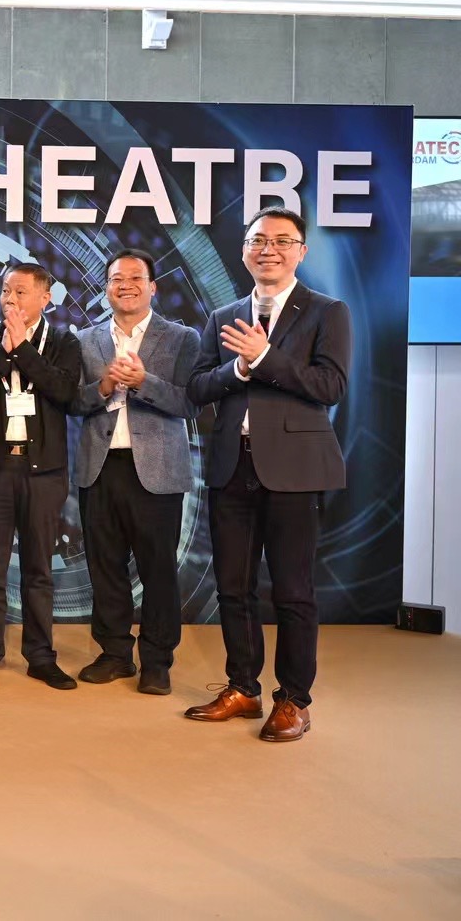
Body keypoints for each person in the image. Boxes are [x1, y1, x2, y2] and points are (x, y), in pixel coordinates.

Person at [184, 209, 349, 742]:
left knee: (293, 591)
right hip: (233, 466)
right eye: (258, 240)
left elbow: (330, 386)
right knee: (232, 587)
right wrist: (237, 368)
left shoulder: (328, 311)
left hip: (294, 470)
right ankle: (243, 688)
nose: (268, 249)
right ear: (244, 251)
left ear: (301, 252)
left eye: (281, 241)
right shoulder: (224, 315)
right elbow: (197, 388)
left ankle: (294, 700)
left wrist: (265, 357)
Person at [69, 248, 199, 696]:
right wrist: (103, 386)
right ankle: (114, 654)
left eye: (135, 278)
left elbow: (191, 403)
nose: (125, 286)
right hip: (100, 467)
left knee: (158, 569)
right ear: (106, 288)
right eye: (116, 279)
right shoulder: (84, 340)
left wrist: (144, 382)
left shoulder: (181, 338)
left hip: (158, 471)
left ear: (152, 287)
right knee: (105, 566)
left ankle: (157, 661)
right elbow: (73, 402)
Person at [0, 262, 82, 690]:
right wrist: (3, 351)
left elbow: (65, 392)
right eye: (5, 291)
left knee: (38, 569)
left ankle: (40, 656)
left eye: (20, 292)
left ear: (45, 298)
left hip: (43, 472)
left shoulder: (64, 342)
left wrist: (24, 351)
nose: (9, 299)